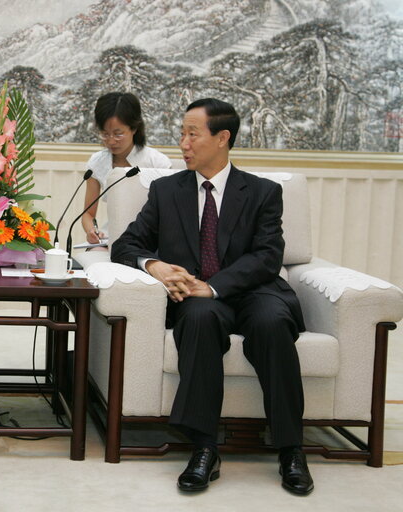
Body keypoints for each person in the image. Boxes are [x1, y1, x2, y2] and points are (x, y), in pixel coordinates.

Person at [111, 98, 314, 495]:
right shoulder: (167, 190)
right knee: (200, 317)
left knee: (272, 324)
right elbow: (126, 244)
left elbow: (268, 257)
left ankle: (291, 449)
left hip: (255, 292)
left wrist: (216, 285)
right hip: (199, 300)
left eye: (192, 134)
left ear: (222, 138)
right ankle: (204, 448)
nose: (183, 143)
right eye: (181, 133)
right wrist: (156, 266)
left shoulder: (262, 192)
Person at [81, 92, 171, 246]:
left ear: (134, 128)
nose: (111, 141)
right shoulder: (97, 162)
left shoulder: (157, 162)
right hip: (112, 237)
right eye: (105, 134)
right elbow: (88, 214)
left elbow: (169, 214)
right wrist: (92, 230)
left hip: (152, 239)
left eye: (118, 134)